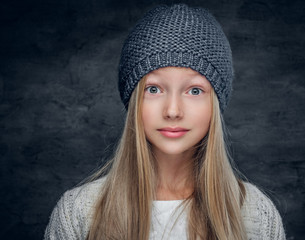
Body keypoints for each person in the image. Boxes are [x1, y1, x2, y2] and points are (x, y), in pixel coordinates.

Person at [44, 4, 286, 240]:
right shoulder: (78, 213)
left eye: (194, 91)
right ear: (134, 101)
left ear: (216, 103)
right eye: (153, 89)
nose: (172, 111)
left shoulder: (256, 213)